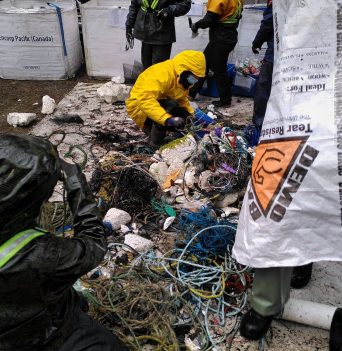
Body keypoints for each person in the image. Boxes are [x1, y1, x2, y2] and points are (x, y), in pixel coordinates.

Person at [0, 134, 127, 351]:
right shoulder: (40, 253)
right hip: (29, 336)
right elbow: (93, 246)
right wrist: (77, 186)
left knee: (73, 299)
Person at [125, 50, 206, 146]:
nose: (195, 81)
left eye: (197, 78)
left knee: (186, 116)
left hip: (159, 102)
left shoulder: (180, 77)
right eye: (194, 77)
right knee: (172, 106)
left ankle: (174, 137)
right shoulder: (162, 74)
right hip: (139, 107)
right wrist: (167, 119)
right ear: (185, 69)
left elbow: (182, 98)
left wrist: (192, 114)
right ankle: (155, 142)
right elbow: (145, 99)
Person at [189, 0, 243, 107]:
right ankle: (191, 93)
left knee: (219, 70)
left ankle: (225, 100)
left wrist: (196, 25)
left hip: (221, 38)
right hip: (228, 36)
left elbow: (210, 19)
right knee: (204, 63)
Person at [126, 0, 191, 69]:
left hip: (162, 35)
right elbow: (134, 5)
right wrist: (129, 25)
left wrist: (168, 11)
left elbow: (185, 4)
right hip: (144, 34)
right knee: (146, 68)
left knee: (159, 70)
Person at [251, 0, 274, 133]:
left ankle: (259, 124)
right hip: (301, 52)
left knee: (264, 85)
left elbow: (268, 24)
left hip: (276, 53)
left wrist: (257, 42)